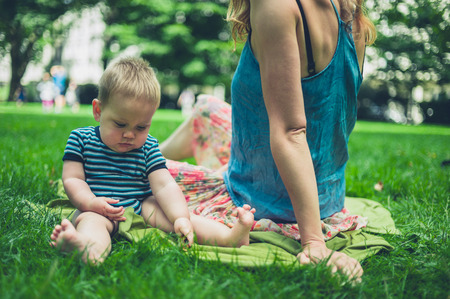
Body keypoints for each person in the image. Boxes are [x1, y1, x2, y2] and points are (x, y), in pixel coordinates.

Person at [160, 0, 377, 281]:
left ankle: (148, 159)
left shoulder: (277, 5)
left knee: (124, 165)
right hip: (328, 198)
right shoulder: (349, 9)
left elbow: (291, 132)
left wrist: (313, 242)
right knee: (206, 109)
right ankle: (154, 152)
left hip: (268, 204)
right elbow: (333, 120)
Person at [50, 57, 255, 264]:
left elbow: (164, 185)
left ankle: (230, 238)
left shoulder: (147, 146)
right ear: (98, 111)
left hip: (140, 205)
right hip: (97, 205)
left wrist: (180, 217)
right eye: (120, 124)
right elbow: (73, 180)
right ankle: (88, 250)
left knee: (180, 217)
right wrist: (91, 202)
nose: (130, 134)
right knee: (91, 222)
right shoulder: (81, 139)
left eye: (141, 127)